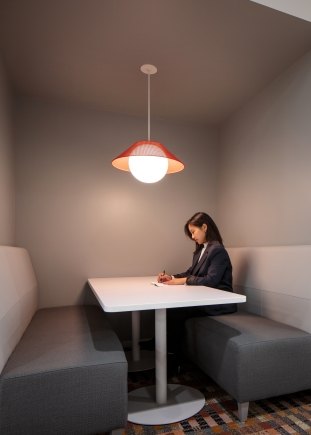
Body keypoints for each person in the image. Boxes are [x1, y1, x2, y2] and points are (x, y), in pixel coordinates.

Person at [157, 211, 236, 369]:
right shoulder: (201, 250)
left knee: (174, 311)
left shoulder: (217, 250)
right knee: (169, 309)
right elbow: (191, 272)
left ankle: (172, 359)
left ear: (204, 227)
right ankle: (161, 350)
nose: (192, 237)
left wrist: (183, 281)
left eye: (193, 232)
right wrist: (171, 277)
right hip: (206, 299)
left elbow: (211, 280)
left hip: (220, 303)